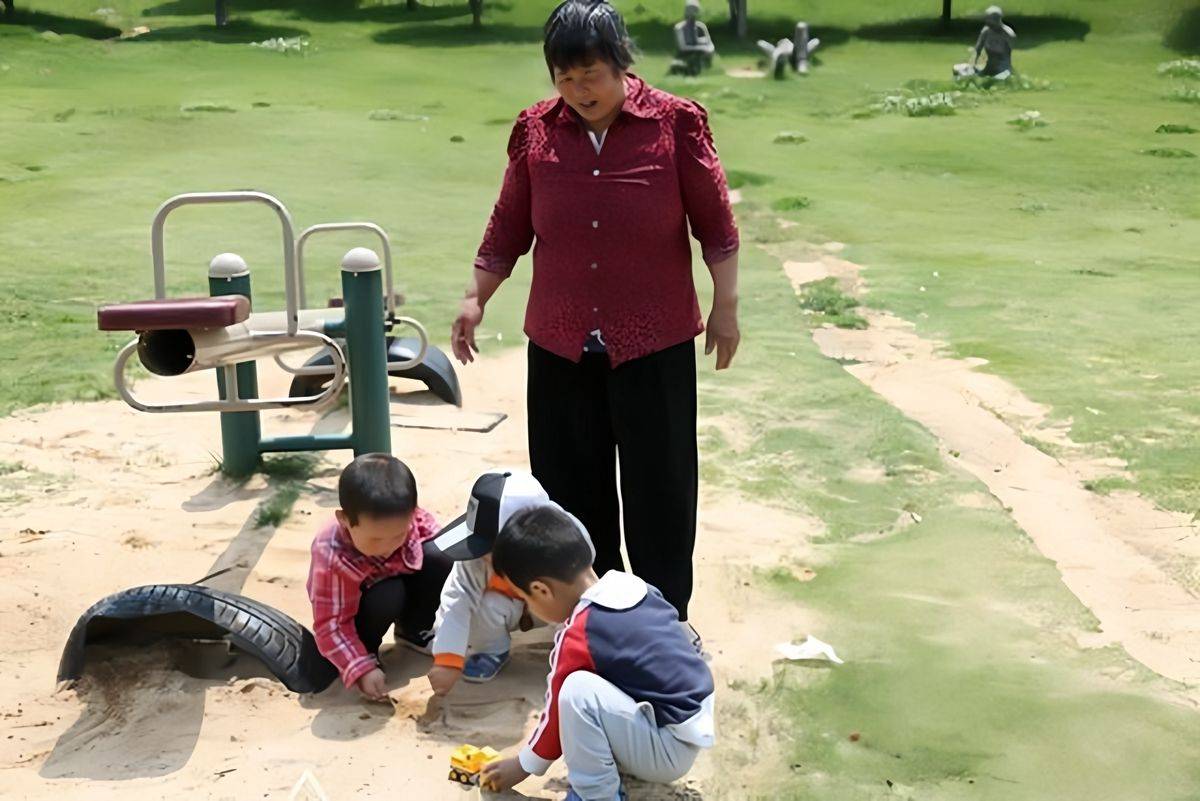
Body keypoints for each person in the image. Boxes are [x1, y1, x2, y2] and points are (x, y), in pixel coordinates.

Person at [450, 0, 740, 649]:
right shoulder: (536, 131)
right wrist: (477, 297)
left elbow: (716, 226)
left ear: (621, 65)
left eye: (592, 75)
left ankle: (664, 619)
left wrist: (725, 307)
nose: (579, 90)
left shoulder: (675, 124)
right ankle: (596, 618)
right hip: (560, 340)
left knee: (660, 485)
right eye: (565, 77)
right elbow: (508, 227)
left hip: (654, 340)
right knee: (570, 485)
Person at [480, 505, 715, 800]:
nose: (528, 608)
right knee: (604, 678)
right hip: (690, 726)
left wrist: (523, 765)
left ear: (541, 590)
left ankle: (597, 795)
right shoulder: (636, 587)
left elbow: (555, 713)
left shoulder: (581, 631)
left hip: (666, 750)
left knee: (576, 692)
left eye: (525, 598)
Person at [426, 469, 592, 692]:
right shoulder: (475, 561)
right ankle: (493, 650)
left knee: (574, 613)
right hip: (508, 608)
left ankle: (571, 652)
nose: (481, 556)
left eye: (488, 549)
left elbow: (584, 594)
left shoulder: (569, 540)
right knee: (483, 608)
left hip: (554, 608)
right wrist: (447, 659)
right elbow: (456, 599)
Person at [306, 453, 452, 700]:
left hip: (404, 584)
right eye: (375, 539)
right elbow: (331, 624)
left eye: (398, 536)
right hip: (365, 610)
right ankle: (366, 651)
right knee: (388, 593)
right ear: (344, 520)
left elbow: (437, 554)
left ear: (412, 513)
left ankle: (415, 630)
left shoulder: (412, 519)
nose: (387, 547)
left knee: (441, 556)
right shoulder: (332, 555)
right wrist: (360, 668)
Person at [670, 0, 715, 76]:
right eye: (692, 11)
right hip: (685, 53)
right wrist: (700, 48)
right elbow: (682, 47)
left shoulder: (701, 26)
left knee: (705, 53)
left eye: (696, 11)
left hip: (699, 49)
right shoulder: (679, 28)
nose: (694, 14)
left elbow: (709, 42)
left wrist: (705, 46)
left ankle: (705, 68)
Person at [973, 5, 1016, 78]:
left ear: (997, 19)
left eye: (989, 19)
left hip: (1003, 67)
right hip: (988, 66)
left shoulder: (1008, 34)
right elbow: (978, 49)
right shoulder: (986, 32)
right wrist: (973, 64)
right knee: (962, 71)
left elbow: (1011, 53)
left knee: (997, 79)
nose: (987, 22)